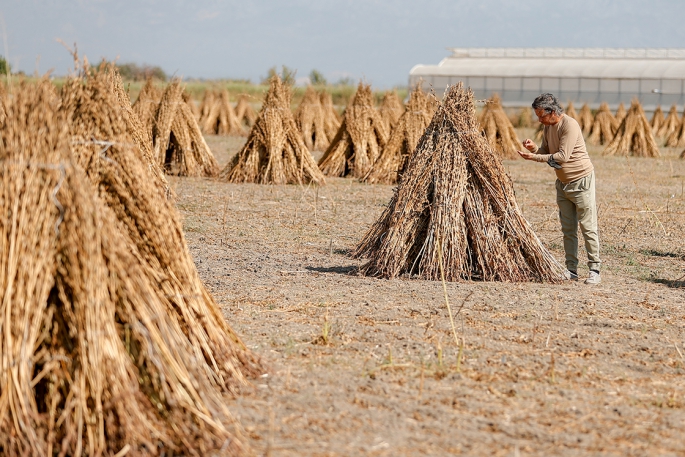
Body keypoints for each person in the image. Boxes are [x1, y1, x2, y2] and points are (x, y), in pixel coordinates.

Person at [517, 93, 601, 285]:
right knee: (568, 228)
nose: (539, 119)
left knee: (588, 227)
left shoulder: (569, 125)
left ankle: (594, 269)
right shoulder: (548, 127)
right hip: (562, 183)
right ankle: (571, 269)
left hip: (581, 181)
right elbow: (546, 153)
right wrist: (534, 149)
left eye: (541, 115)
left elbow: (562, 156)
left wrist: (534, 158)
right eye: (537, 115)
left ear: (552, 112)